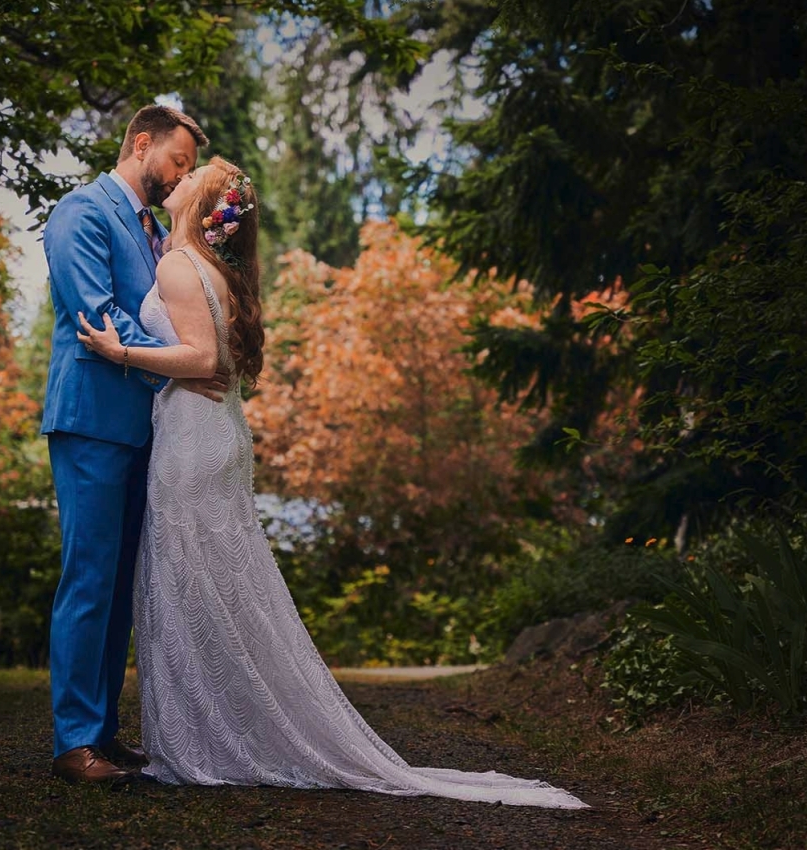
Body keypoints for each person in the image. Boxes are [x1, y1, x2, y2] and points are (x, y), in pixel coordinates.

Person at [77, 156, 589, 809]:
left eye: (192, 173)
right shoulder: (211, 268)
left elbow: (201, 357)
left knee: (196, 587)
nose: (179, 175)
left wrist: (119, 351)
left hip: (193, 436)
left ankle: (210, 738)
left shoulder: (180, 264)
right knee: (221, 591)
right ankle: (222, 731)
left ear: (203, 206)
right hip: (214, 432)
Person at [42, 105, 219, 784]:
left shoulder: (153, 231)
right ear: (141, 144)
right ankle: (72, 743)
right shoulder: (80, 212)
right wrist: (185, 361)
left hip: (146, 426)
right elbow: (100, 316)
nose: (179, 176)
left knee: (120, 587)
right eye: (176, 161)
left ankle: (104, 731)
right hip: (90, 420)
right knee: (88, 579)